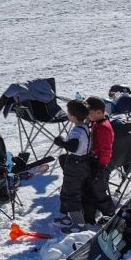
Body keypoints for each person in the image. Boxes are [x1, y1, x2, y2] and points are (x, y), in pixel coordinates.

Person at [51, 99, 92, 232]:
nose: (67, 115)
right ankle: (67, 216)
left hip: (75, 163)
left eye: (68, 113)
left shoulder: (77, 131)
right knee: (66, 190)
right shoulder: (85, 126)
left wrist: (60, 142)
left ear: (73, 117)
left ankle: (79, 225)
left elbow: (72, 147)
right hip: (82, 162)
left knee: (71, 194)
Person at [82, 97, 118, 224]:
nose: (88, 116)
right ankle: (88, 217)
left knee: (99, 192)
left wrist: (101, 166)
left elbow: (106, 149)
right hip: (94, 161)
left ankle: (111, 216)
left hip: (100, 164)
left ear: (98, 113)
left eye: (90, 114)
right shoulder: (97, 123)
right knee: (88, 189)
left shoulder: (104, 127)